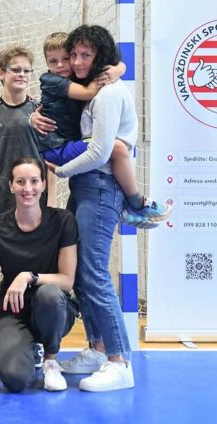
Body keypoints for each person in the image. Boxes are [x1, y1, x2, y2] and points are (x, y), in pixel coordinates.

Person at [50, 24, 139, 392]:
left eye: (86, 55)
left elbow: (101, 152)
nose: (77, 61)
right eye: (74, 55)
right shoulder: (93, 92)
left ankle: (121, 361)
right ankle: (99, 349)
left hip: (100, 187)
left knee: (95, 273)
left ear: (100, 56)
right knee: (82, 274)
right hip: (86, 185)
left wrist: (59, 170)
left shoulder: (109, 95)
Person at [0, 157, 79, 393]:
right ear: (11, 186)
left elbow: (67, 280)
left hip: (53, 308)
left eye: (34, 181)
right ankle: (27, 350)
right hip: (11, 311)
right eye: (21, 182)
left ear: (44, 184)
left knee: (49, 293)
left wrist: (29, 276)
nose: (28, 188)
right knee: (15, 380)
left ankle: (50, 360)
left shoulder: (63, 221)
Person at [37, 32, 167, 226]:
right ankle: (135, 202)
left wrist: (120, 68)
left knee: (116, 149)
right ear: (46, 63)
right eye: (53, 61)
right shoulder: (52, 80)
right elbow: (89, 92)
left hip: (67, 144)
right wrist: (110, 73)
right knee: (117, 148)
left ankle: (129, 203)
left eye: (66, 58)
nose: (61, 65)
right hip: (56, 148)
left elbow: (117, 63)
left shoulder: (76, 77)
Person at [0, 46, 47, 220]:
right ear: (1, 73)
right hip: (2, 201)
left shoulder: (41, 111)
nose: (22, 74)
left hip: (37, 200)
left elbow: (50, 161)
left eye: (26, 70)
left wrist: (52, 203)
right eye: (16, 70)